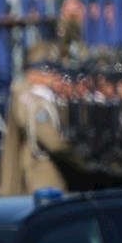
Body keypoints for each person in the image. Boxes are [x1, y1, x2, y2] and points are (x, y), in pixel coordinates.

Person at [19, 57, 73, 192]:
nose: (55, 77)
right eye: (48, 72)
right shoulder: (38, 103)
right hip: (41, 173)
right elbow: (53, 143)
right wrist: (74, 148)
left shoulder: (45, 99)